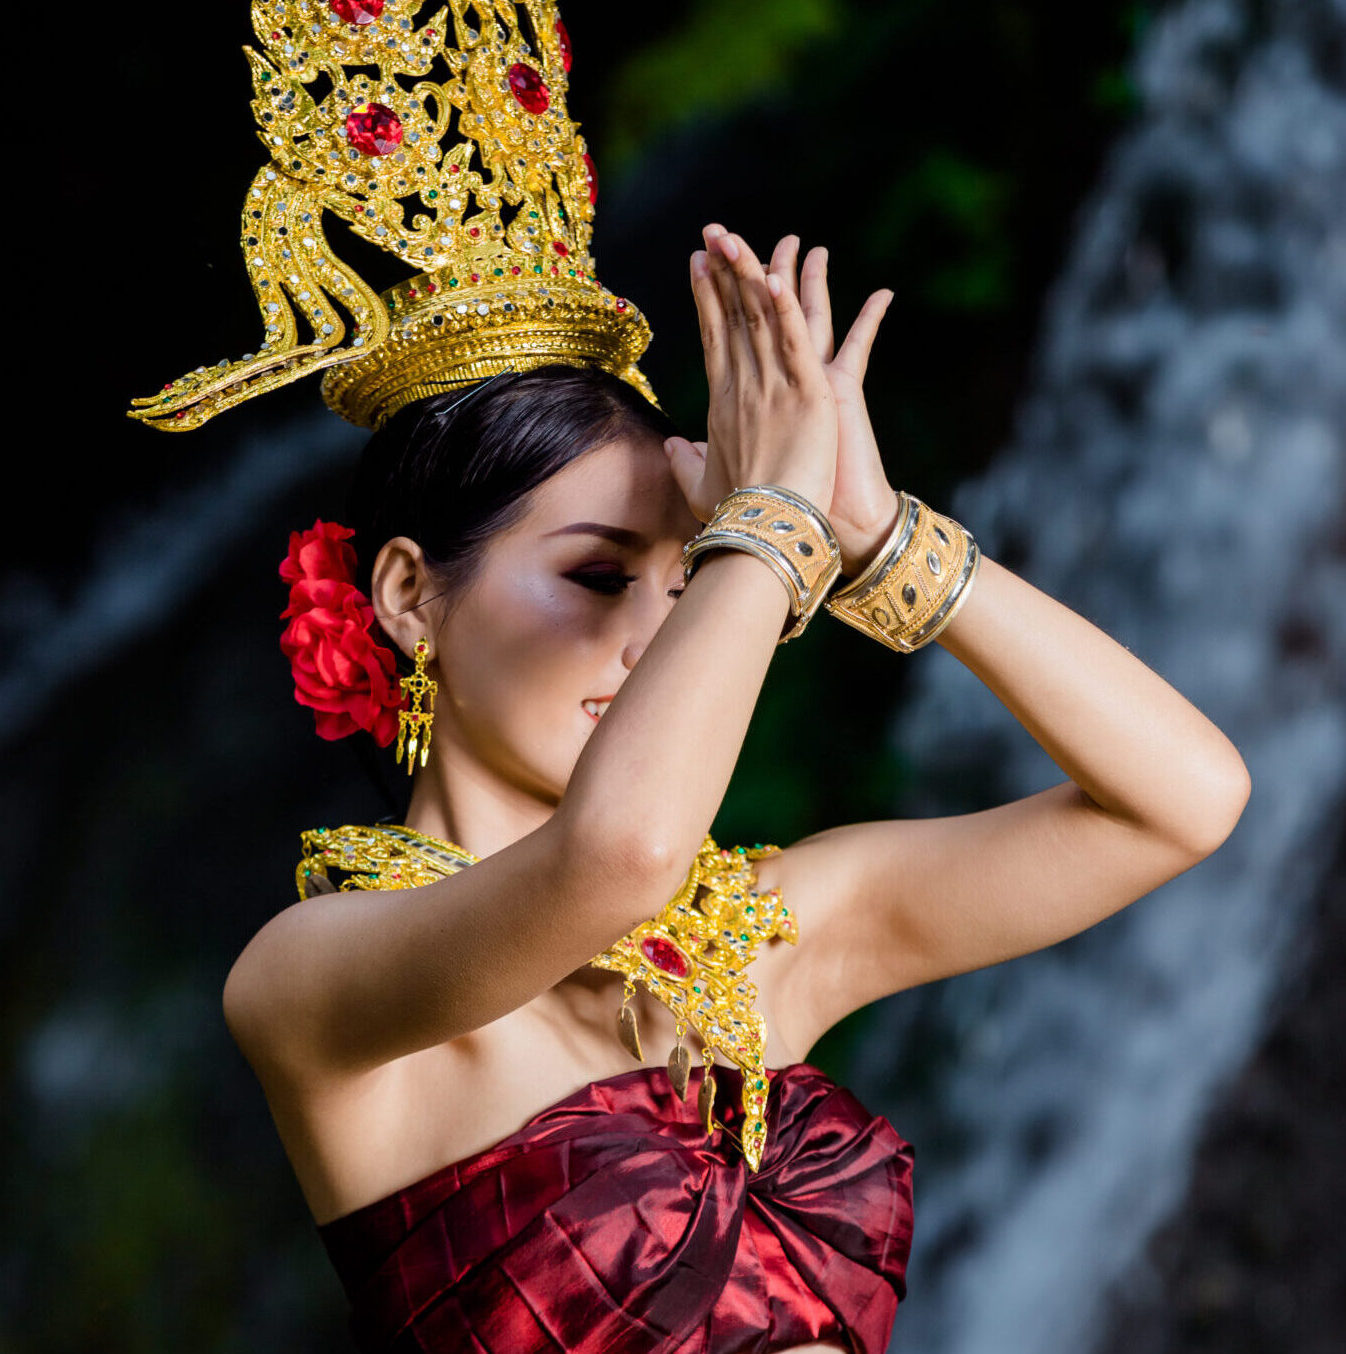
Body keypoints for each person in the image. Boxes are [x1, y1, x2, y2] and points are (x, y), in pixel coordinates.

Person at [131, 8, 1252, 1351]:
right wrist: (762, 530)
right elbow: (615, 849)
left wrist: (876, 540)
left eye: (686, 588)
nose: (656, 636)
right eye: (601, 577)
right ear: (408, 596)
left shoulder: (761, 941)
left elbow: (1182, 799)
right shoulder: (311, 978)